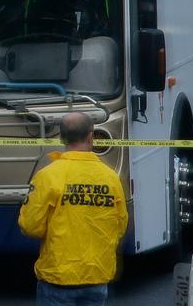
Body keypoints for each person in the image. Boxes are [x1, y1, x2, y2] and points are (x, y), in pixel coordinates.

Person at [17, 112, 127, 305]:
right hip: (96, 277)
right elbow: (120, 225)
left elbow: (30, 226)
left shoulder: (48, 176)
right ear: (91, 137)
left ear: (61, 138)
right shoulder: (111, 178)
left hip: (57, 278)